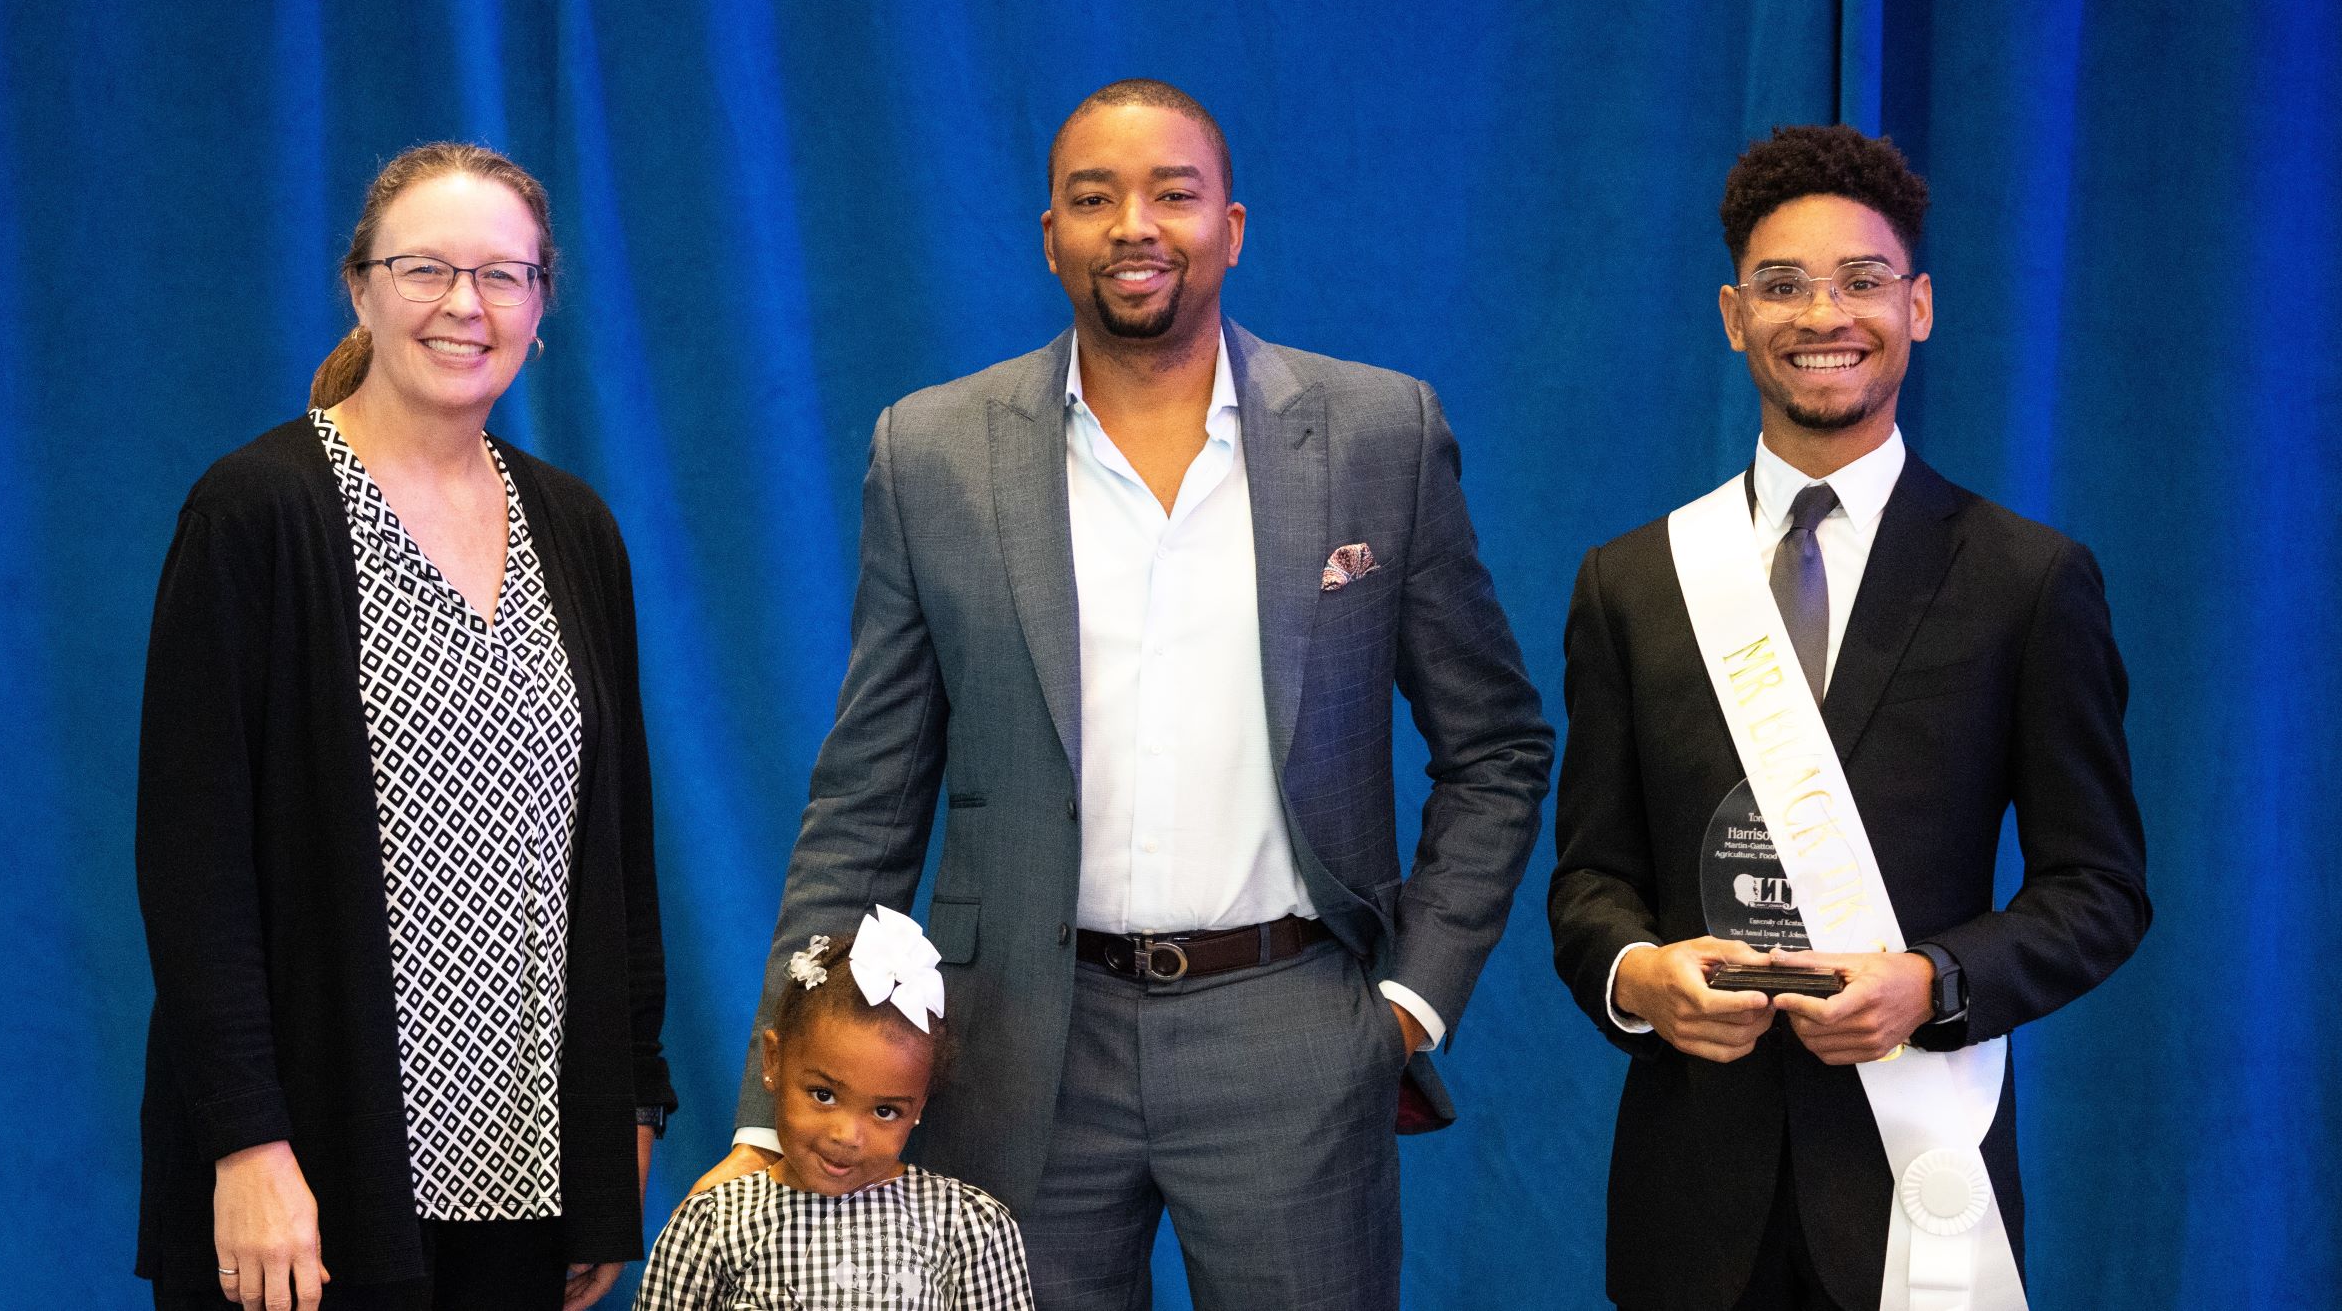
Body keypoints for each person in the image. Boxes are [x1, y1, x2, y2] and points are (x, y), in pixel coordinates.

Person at [691, 79, 1553, 1308]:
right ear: (1051, 238)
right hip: (1016, 1050)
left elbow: (1498, 746)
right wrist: (772, 1118)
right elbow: (867, 800)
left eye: (1173, 194)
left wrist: (1409, 1003)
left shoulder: (1378, 433)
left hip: (1294, 1029)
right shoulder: (932, 451)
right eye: (1094, 199)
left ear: (1234, 227)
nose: (1134, 225)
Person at [1547, 123, 2150, 1310]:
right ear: (1734, 318)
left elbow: (2100, 888)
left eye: (1862, 282)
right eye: (1782, 286)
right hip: (1692, 1199)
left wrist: (1934, 982)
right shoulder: (1632, 579)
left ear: (1917, 307)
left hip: (1915, 1176)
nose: (1824, 314)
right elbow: (1588, 880)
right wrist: (1637, 973)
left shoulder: (2026, 578)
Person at [134, 142, 673, 1310]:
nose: (464, 307)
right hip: (310, 1179)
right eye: (425, 268)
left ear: (542, 305)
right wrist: (246, 1148)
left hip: (528, 1173)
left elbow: (619, 850)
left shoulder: (575, 530)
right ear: (361, 287)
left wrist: (626, 1109)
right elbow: (194, 869)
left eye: (503, 276)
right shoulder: (256, 513)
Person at [636, 908, 1033, 1310]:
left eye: (885, 1111)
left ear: (920, 1106)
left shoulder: (967, 1228)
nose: (847, 1135)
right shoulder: (714, 1224)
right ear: (773, 1061)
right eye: (823, 1095)